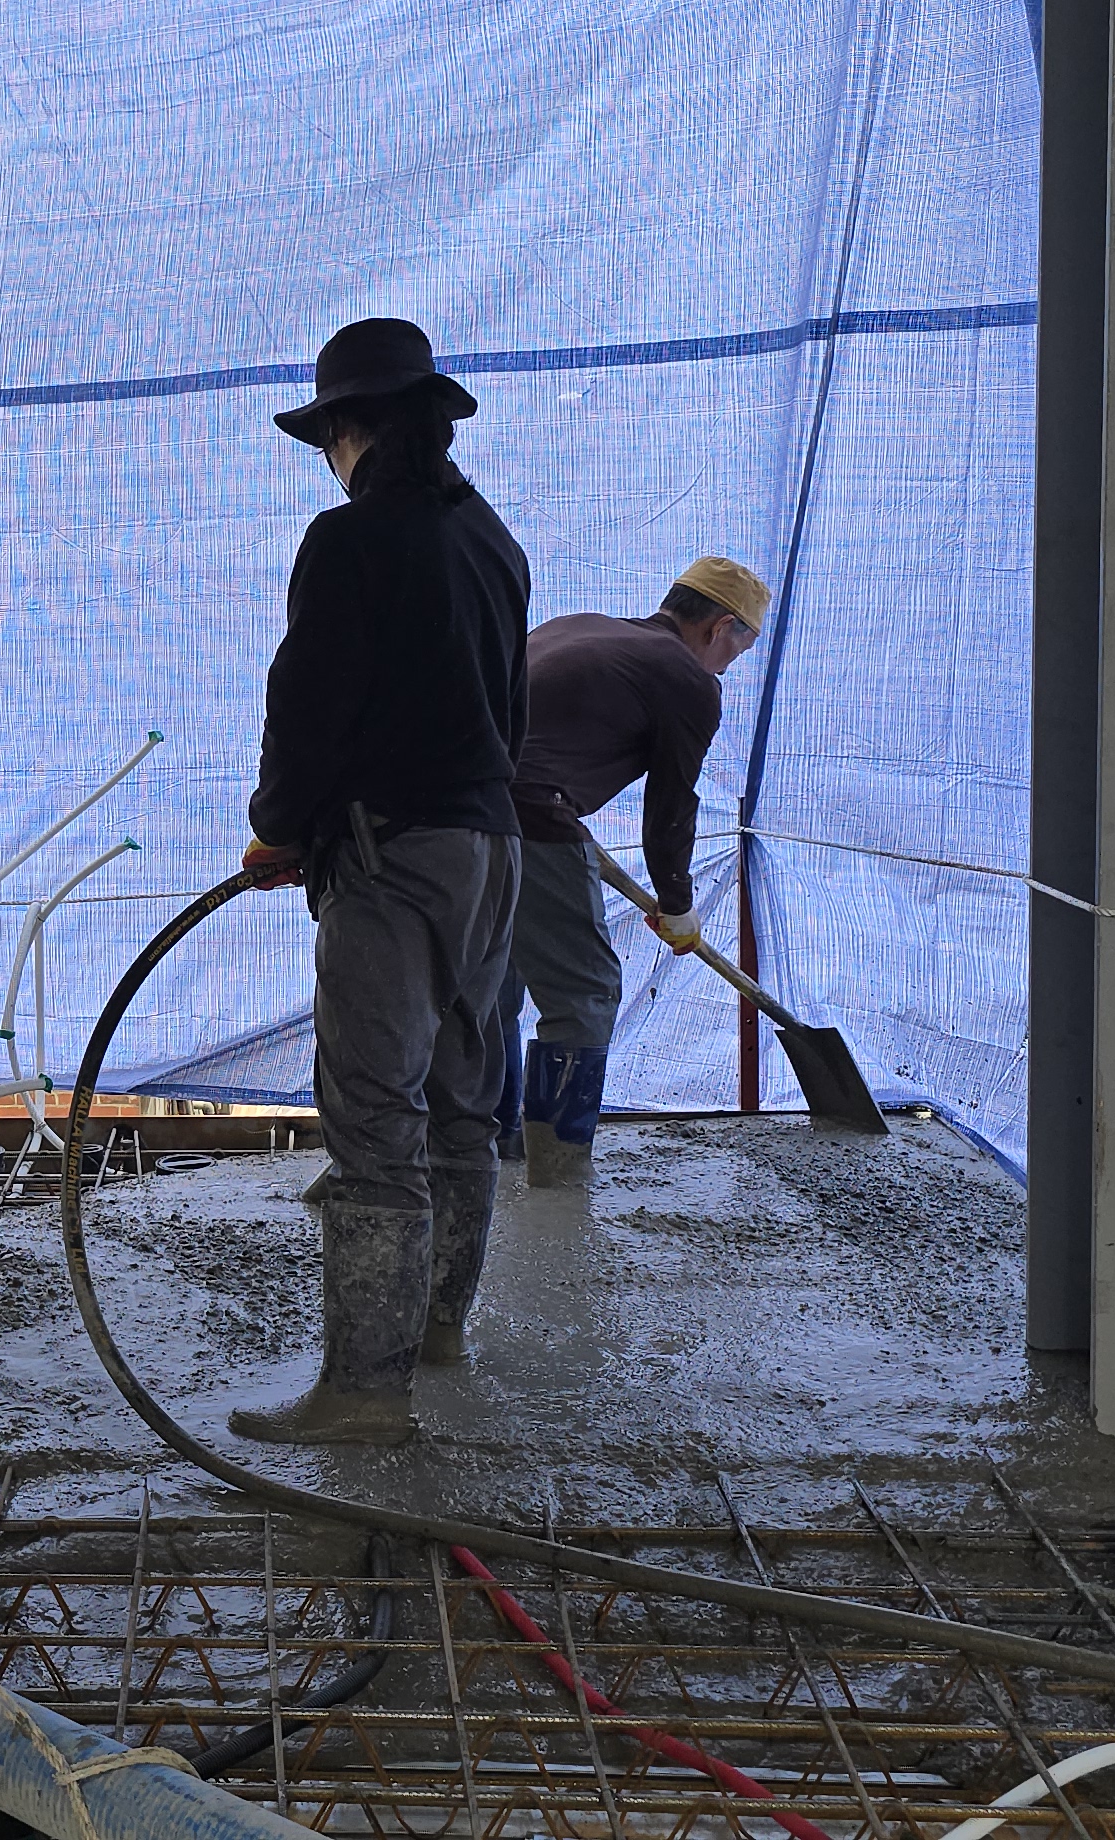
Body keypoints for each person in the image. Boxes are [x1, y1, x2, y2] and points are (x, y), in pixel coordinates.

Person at [234, 317, 533, 1446]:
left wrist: (278, 828)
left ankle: (363, 1391)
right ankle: (438, 1330)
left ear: (349, 431)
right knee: (463, 1104)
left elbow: (308, 707)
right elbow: (509, 711)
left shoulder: (350, 539)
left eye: (329, 440)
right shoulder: (492, 539)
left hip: (393, 859)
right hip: (491, 851)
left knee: (373, 1119)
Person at [504, 557, 767, 1189]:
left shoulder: (577, 626)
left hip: (454, 815)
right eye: (738, 649)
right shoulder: (687, 678)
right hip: (532, 816)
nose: (729, 665)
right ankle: (558, 1172)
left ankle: (490, 1136)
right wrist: (677, 904)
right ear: (720, 627)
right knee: (585, 991)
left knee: (492, 983)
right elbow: (671, 806)